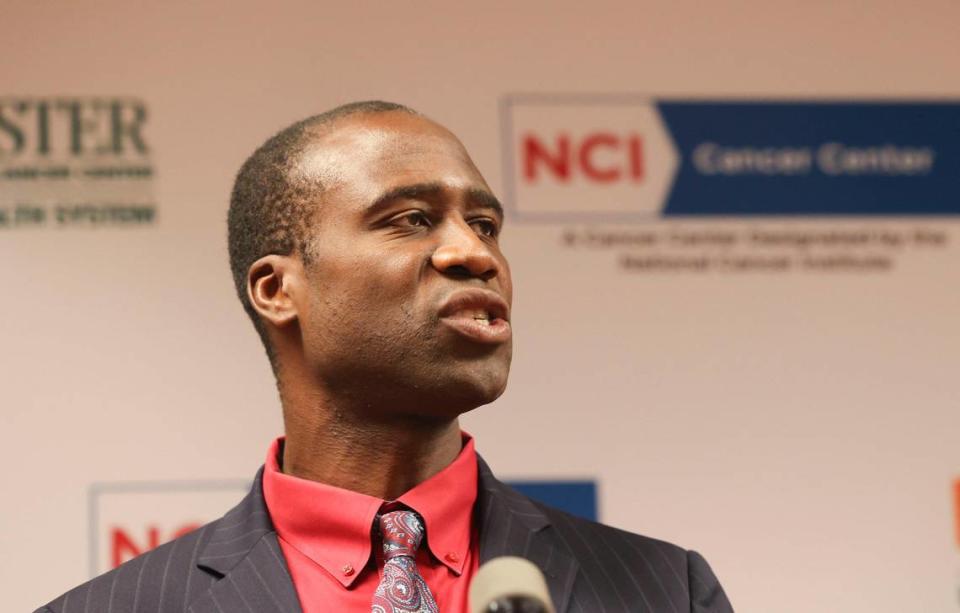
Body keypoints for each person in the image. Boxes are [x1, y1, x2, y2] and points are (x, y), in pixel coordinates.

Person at [36, 101, 733, 613]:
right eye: (412, 220)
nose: (475, 253)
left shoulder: (668, 591)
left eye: (486, 225)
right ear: (278, 288)